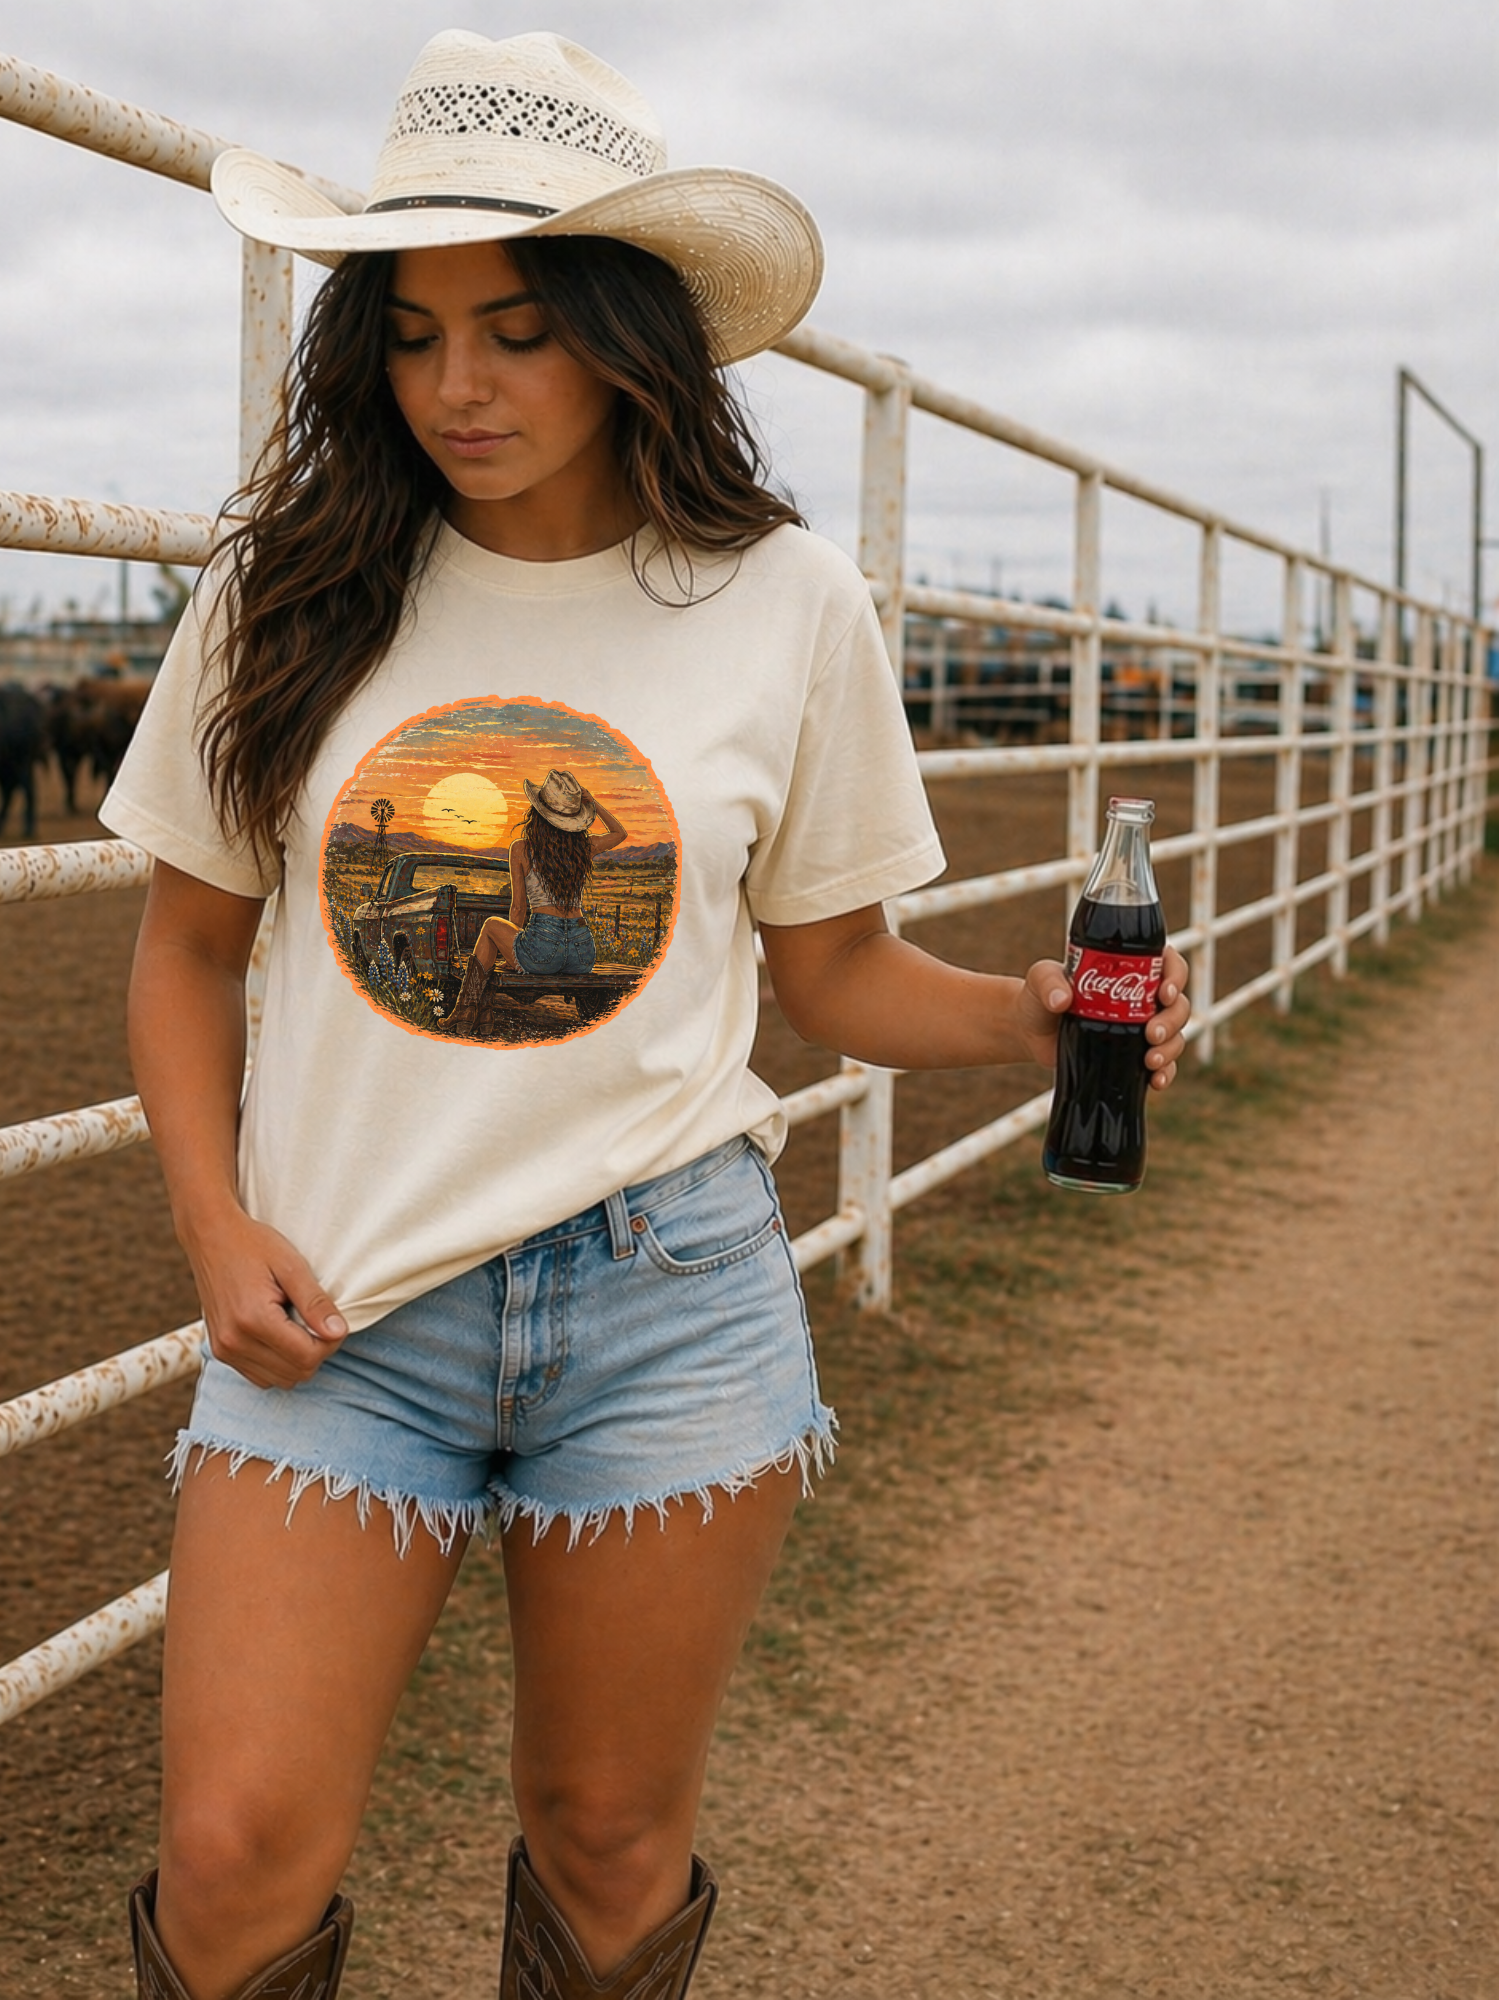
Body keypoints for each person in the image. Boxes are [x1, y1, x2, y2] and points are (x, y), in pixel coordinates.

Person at [101, 30, 1192, 2000]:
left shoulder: (782, 605)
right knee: (230, 1846)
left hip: (665, 1296)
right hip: (343, 1310)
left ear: (623, 333)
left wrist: (1038, 1022)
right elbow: (185, 950)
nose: (457, 387)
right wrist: (213, 1222)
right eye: (415, 332)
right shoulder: (286, 593)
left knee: (609, 1843)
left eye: (515, 330)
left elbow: (833, 976)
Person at [443, 769, 627, 1030]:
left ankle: (466, 1011)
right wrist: (592, 801)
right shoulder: (584, 848)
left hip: (543, 950)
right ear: (574, 818)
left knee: (491, 927)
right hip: (582, 953)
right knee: (500, 937)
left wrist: (511, 956)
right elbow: (620, 833)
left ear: (538, 814)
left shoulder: (521, 849)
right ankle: (479, 1015)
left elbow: (518, 909)